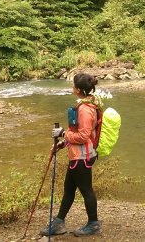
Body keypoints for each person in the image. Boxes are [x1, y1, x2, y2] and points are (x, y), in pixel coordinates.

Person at [40, 73, 101, 237]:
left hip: (82, 157)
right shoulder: (87, 104)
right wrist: (62, 143)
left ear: (79, 90)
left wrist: (62, 133)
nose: (71, 87)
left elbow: (82, 136)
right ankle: (59, 222)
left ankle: (93, 224)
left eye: (73, 85)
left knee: (86, 190)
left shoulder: (85, 110)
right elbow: (78, 134)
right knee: (69, 189)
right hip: (79, 156)